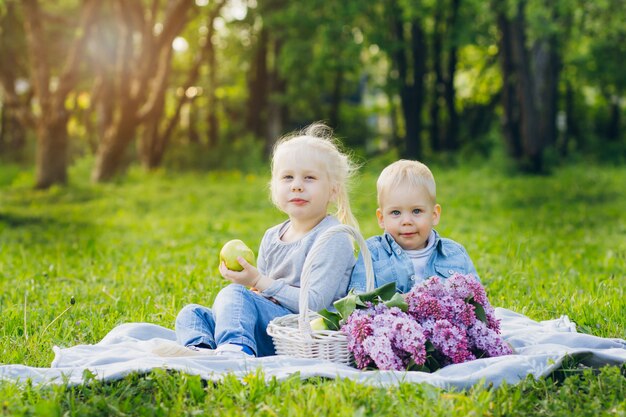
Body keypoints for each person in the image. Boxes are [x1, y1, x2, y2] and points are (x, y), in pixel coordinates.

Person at [174, 123, 359, 357]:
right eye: (288, 177)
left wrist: (258, 282)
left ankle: (235, 352)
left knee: (234, 295)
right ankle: (202, 351)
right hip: (268, 325)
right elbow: (259, 293)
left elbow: (314, 304)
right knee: (192, 314)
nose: (297, 185)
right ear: (274, 187)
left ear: (333, 191)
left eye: (309, 178)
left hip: (300, 331)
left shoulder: (333, 237)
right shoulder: (273, 236)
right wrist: (251, 282)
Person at [348, 159, 479, 294]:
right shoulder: (373, 253)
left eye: (416, 211)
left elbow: (476, 299)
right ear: (381, 219)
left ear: (434, 215)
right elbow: (358, 297)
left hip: (443, 315)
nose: (407, 221)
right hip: (392, 315)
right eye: (396, 212)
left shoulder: (455, 254)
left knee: (500, 314)